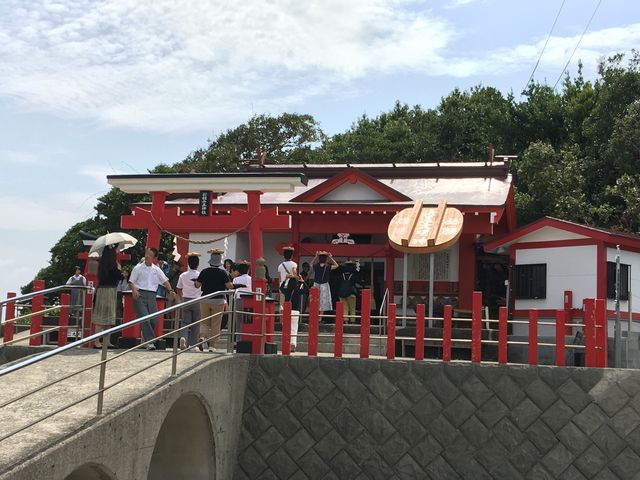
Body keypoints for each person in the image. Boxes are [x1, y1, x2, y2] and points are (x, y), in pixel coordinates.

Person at [128, 247, 176, 350]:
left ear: (154, 258)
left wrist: (171, 290)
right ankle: (150, 342)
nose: (147, 256)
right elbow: (131, 282)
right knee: (145, 317)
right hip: (140, 295)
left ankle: (145, 335)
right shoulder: (138, 268)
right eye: (146, 254)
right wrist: (134, 290)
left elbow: (165, 281)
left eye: (150, 255)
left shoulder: (156, 269)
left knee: (154, 320)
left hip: (152, 296)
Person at [195, 248, 233, 352]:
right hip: (218, 300)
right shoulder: (223, 273)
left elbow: (197, 285)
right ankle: (212, 346)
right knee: (216, 323)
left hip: (205, 299)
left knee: (204, 322)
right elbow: (229, 286)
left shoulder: (204, 271)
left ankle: (202, 337)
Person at [92, 246, 122, 348]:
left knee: (101, 317)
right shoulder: (113, 265)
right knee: (108, 318)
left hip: (101, 290)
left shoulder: (101, 264)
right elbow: (119, 276)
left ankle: (97, 341)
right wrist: (119, 269)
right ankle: (106, 341)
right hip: (110, 290)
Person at [176, 253, 202, 350]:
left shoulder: (183, 275)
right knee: (196, 323)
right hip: (197, 299)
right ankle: (192, 345)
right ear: (197, 264)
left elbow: (178, 288)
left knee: (185, 322)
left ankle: (183, 337)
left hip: (186, 299)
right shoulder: (200, 275)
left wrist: (182, 297)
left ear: (188, 263)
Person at [280, 274, 309, 352]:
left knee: (286, 328)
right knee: (294, 328)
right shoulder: (297, 290)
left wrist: (285, 279)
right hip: (295, 311)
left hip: (287, 311)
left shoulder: (286, 290)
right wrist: (303, 281)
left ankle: (286, 344)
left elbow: (281, 288)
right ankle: (293, 344)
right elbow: (307, 290)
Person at [312, 251, 338, 319]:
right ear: (326, 259)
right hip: (324, 284)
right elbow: (336, 265)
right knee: (323, 301)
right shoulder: (328, 266)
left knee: (315, 300)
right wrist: (330, 257)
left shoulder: (316, 266)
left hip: (316, 284)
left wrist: (315, 257)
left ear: (319, 258)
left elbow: (311, 264)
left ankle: (315, 315)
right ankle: (320, 317)